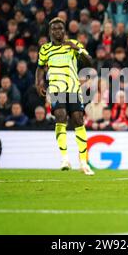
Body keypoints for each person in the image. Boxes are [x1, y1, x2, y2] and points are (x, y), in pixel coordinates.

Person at [35, 17, 94, 175]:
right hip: (56, 89)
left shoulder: (74, 45)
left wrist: (77, 48)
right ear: (50, 31)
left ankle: (83, 162)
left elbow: (90, 62)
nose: (58, 31)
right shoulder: (45, 49)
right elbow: (40, 67)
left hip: (74, 89)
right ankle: (65, 159)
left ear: (65, 30)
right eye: (54, 29)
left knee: (78, 120)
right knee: (60, 117)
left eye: (60, 28)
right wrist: (38, 82)